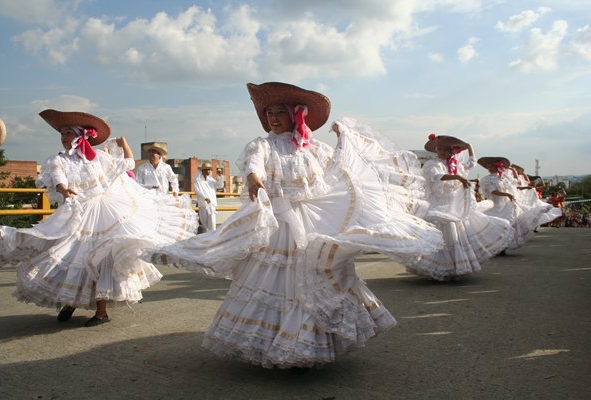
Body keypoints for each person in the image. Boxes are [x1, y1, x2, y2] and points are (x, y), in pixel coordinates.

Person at [148, 82, 443, 369]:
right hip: (279, 225)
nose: (273, 118)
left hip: (313, 219)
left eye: (280, 112)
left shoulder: (314, 148)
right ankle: (279, 344)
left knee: (318, 273)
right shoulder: (263, 145)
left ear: (294, 114)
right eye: (269, 113)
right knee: (277, 282)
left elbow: (341, 169)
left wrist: (344, 139)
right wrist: (253, 178)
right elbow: (254, 163)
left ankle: (309, 344)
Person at [0, 109, 197, 326]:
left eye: (68, 133)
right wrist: (63, 189)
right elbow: (57, 177)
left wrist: (124, 144)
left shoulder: (99, 158)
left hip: (105, 212)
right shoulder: (59, 160)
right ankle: (70, 301)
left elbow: (128, 163)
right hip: (78, 213)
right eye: (62, 133)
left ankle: (101, 312)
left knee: (101, 260)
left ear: (81, 136)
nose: (64, 137)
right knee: (72, 256)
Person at [403, 135, 512, 281]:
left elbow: (471, 163)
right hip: (438, 204)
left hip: (455, 205)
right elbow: (437, 176)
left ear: (452, 151)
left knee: (456, 235)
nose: (442, 152)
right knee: (442, 234)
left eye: (445, 149)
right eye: (439, 149)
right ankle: (439, 268)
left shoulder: (456, 165)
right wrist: (458, 178)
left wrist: (469, 147)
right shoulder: (432, 164)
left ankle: (454, 268)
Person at [478, 157, 546, 251]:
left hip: (507, 205)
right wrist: (507, 194)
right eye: (489, 167)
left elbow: (516, 185)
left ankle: (503, 246)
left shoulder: (504, 178)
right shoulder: (486, 179)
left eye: (492, 166)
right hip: (495, 205)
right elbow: (493, 191)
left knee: (509, 225)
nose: (490, 168)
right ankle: (496, 246)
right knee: (496, 226)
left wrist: (525, 186)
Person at [193, 162, 218, 232]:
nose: (209, 171)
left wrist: (220, 176)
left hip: (211, 204)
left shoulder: (211, 179)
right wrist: (205, 197)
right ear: (203, 170)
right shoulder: (197, 179)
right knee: (204, 224)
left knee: (212, 225)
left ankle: (212, 237)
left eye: (210, 169)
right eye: (207, 169)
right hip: (202, 204)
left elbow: (219, 185)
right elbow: (196, 190)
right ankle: (208, 237)